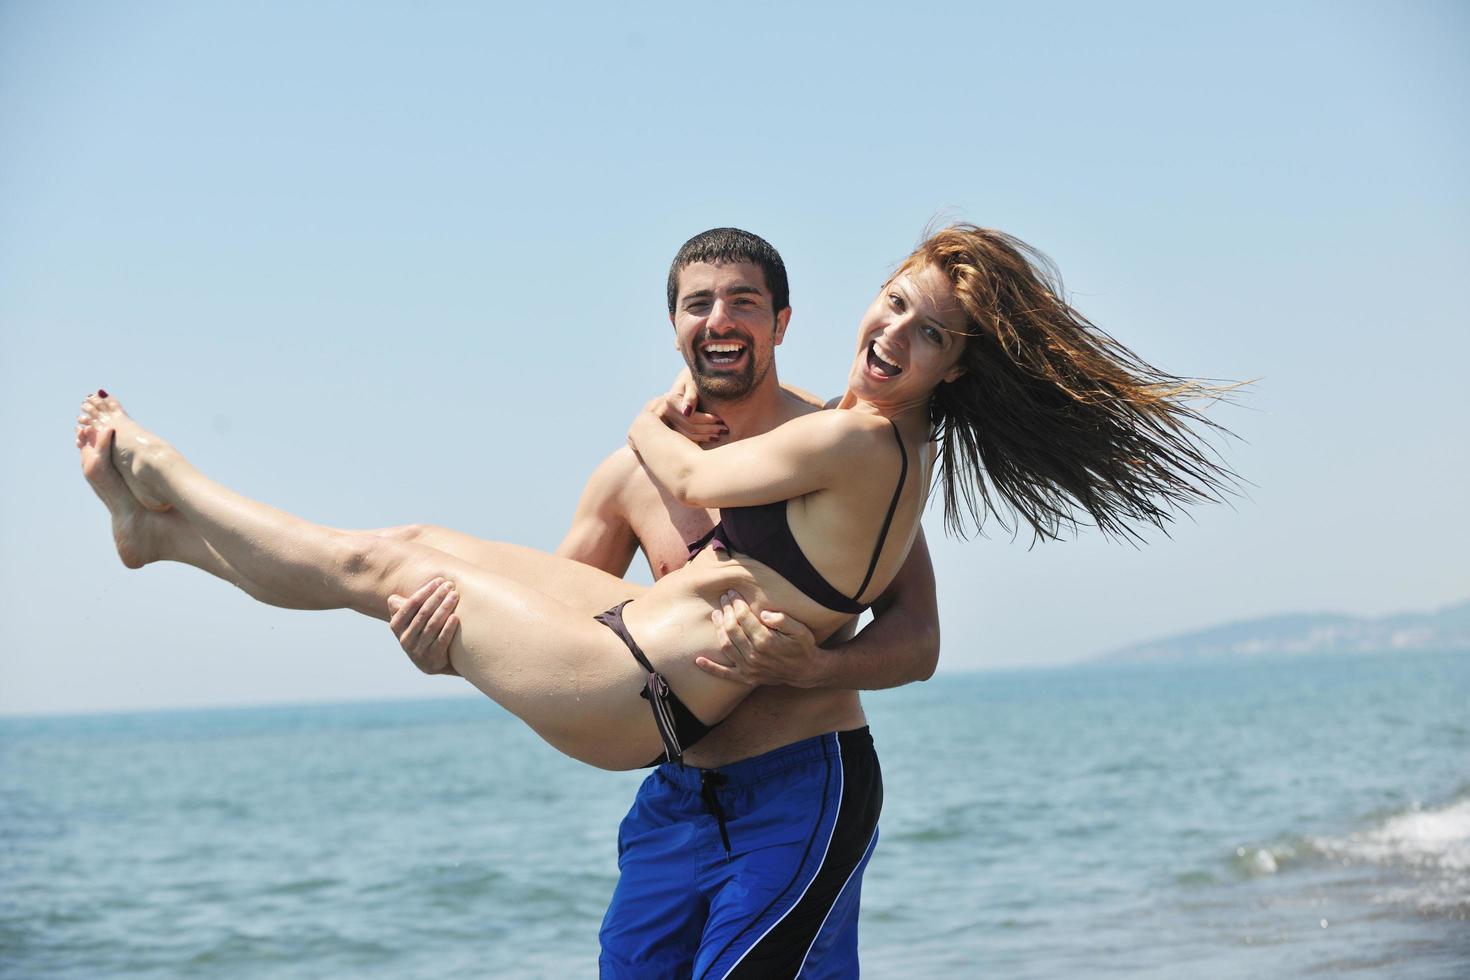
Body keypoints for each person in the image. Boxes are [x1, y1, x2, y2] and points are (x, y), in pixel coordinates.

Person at [77, 224, 1233, 978]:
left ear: (781, 319)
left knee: (386, 566)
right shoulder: (661, 467)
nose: (719, 320)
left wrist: (812, 665)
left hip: (785, 774)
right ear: (676, 323)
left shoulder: (839, 444)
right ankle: (162, 538)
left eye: (743, 301)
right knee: (409, 557)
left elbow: (918, 637)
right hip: (669, 772)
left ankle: (172, 486)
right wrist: (452, 654)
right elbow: (558, 608)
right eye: (697, 303)